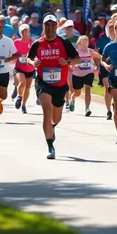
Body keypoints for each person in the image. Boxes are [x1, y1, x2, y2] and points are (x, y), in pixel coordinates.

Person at [27, 14, 80, 159]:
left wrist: (68, 62)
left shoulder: (63, 42)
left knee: (56, 118)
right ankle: (50, 146)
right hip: (43, 82)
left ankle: (53, 127)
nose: (50, 28)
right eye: (47, 25)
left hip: (60, 84)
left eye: (52, 25)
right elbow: (29, 58)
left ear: (56, 27)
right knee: (47, 111)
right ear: (43, 27)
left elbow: (77, 59)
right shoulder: (38, 43)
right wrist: (33, 63)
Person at [70, 35, 100, 116]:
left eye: (87, 41)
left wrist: (98, 64)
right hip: (77, 74)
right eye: (84, 41)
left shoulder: (90, 51)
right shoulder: (75, 52)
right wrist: (74, 66)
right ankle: (72, 98)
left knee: (87, 88)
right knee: (77, 92)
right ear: (79, 42)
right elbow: (71, 62)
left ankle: (87, 108)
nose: (86, 42)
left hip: (88, 72)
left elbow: (98, 57)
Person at [13, 24, 35, 113]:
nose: (24, 33)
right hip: (19, 67)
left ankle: (24, 105)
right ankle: (19, 96)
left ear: (29, 32)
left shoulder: (33, 43)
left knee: (28, 87)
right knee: (22, 83)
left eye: (26, 31)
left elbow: (36, 54)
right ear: (20, 32)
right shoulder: (16, 42)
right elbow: (12, 53)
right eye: (22, 31)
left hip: (30, 68)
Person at [95, 20, 114, 119]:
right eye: (110, 28)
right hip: (105, 66)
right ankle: (109, 111)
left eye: (113, 28)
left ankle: (115, 103)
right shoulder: (102, 39)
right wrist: (98, 63)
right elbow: (97, 51)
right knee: (108, 88)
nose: (112, 30)